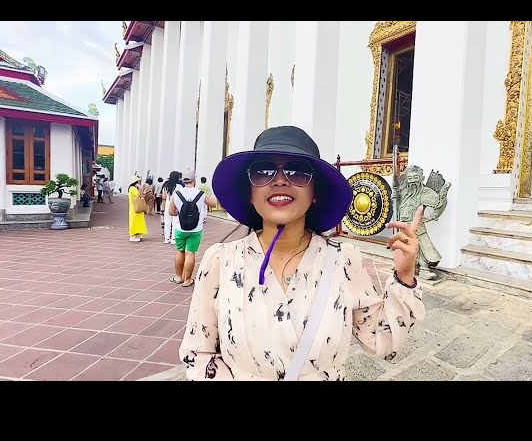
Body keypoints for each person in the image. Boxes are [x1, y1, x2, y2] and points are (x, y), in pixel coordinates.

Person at [179, 126, 425, 381]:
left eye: (297, 171)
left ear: (315, 193)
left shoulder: (342, 261)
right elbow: (198, 355)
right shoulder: (220, 262)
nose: (280, 180)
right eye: (264, 171)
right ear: (250, 193)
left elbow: (381, 342)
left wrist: (405, 276)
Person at [169, 171, 217, 287]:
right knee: (190, 253)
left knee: (180, 251)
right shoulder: (201, 194)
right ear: (194, 181)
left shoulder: (177, 194)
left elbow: (172, 212)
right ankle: (187, 280)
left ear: (183, 181)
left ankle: (178, 276)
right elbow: (214, 204)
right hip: (196, 229)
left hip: (180, 228)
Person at [128, 175, 148, 242]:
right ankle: (132, 235)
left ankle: (136, 233)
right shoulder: (133, 188)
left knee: (137, 221)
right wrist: (141, 188)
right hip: (135, 207)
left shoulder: (132, 188)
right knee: (134, 221)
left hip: (135, 207)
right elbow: (139, 195)